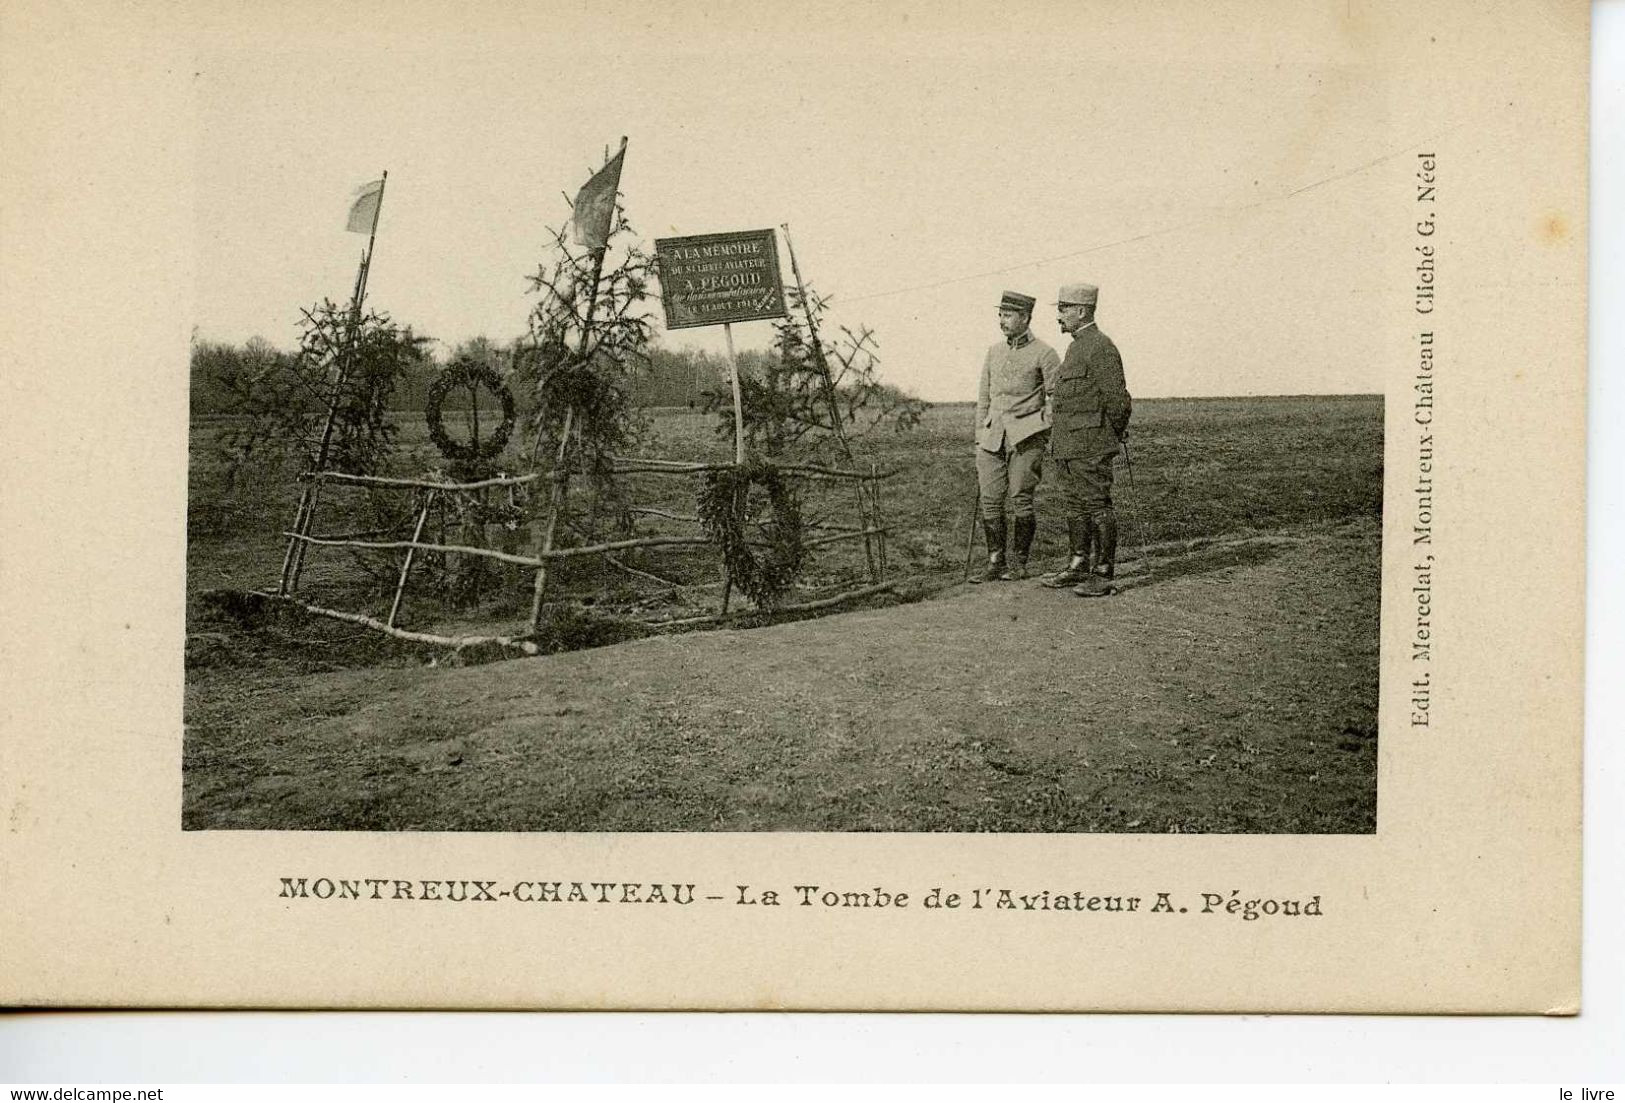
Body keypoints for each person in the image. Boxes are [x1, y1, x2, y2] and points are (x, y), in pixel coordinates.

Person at [1042, 282, 1131, 597]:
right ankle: (1078, 564)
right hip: (1068, 446)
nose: (1059, 317)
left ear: (1081, 311)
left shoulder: (1101, 347)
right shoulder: (1075, 346)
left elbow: (1118, 401)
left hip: (1091, 445)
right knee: (1074, 505)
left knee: (1096, 505)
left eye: (1064, 310)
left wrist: (1109, 435)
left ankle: (1103, 573)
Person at [973, 290, 1060, 581]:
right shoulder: (993, 351)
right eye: (1000, 314)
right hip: (991, 437)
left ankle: (1019, 563)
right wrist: (979, 436)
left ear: (1025, 318)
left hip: (1026, 438)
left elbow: (1055, 397)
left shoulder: (1045, 353)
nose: (1001, 320)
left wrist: (1042, 429)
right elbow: (984, 396)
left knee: (1021, 498)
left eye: (1007, 315)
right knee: (991, 499)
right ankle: (994, 562)